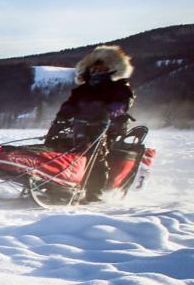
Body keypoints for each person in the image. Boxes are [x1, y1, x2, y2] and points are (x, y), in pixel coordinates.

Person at [45, 45, 134, 202]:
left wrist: (108, 112)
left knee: (95, 155)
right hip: (80, 126)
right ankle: (56, 185)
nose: (97, 71)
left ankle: (94, 194)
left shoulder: (119, 87)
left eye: (102, 68)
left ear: (111, 69)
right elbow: (70, 104)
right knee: (59, 149)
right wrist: (62, 116)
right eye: (95, 68)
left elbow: (122, 104)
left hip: (107, 128)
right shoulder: (82, 89)